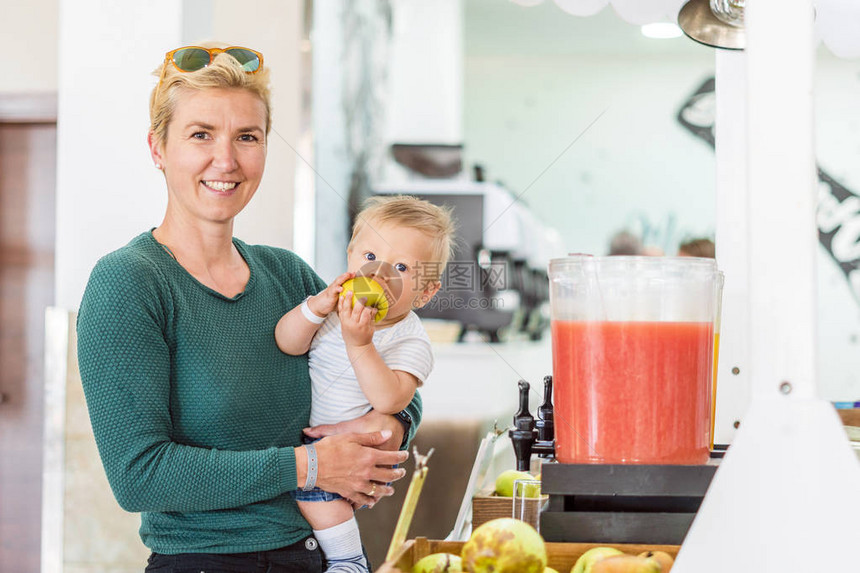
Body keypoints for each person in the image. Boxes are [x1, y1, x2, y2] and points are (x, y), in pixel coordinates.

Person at [76, 44, 421, 573]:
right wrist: (310, 465)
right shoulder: (129, 282)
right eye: (200, 135)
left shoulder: (289, 276)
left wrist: (385, 430)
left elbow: (394, 370)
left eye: (247, 137)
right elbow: (139, 475)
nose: (227, 160)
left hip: (320, 557)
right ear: (157, 149)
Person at [275, 196, 455, 572]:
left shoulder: (410, 340)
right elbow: (287, 341)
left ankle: (348, 559)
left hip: (346, 448)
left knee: (317, 499)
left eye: (402, 267)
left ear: (425, 292)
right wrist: (314, 309)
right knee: (312, 494)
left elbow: (390, 399)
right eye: (370, 257)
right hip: (311, 446)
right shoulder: (333, 308)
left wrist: (361, 343)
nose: (380, 274)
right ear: (350, 257)